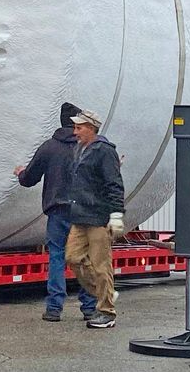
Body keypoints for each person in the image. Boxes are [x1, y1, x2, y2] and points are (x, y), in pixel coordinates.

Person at [16, 102, 93, 322]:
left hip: (58, 211)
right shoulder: (89, 148)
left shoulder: (49, 147)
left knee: (57, 257)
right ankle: (88, 308)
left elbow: (30, 179)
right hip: (83, 212)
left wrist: (21, 173)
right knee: (84, 259)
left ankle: (54, 308)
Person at [59, 110, 126, 329]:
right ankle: (105, 293)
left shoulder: (104, 151)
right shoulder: (80, 149)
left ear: (92, 128)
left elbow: (114, 184)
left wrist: (116, 215)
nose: (75, 132)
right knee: (73, 257)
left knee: (100, 265)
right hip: (80, 216)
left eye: (79, 128)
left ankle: (107, 312)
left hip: (98, 217)